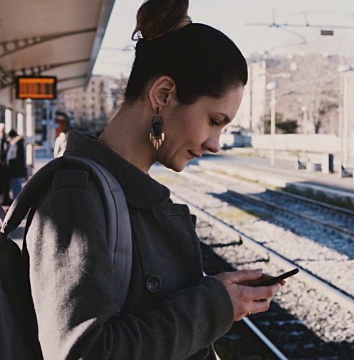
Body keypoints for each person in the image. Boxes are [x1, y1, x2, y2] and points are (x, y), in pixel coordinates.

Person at [25, 1, 285, 358]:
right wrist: (212, 306)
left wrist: (217, 294)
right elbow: (84, 351)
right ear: (163, 95)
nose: (215, 144)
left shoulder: (121, 197)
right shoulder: (76, 196)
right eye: (214, 120)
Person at [5, 129, 26, 200]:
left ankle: (18, 205)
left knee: (16, 189)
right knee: (16, 188)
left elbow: (14, 158)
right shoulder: (17, 143)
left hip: (15, 171)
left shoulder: (16, 144)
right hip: (16, 171)